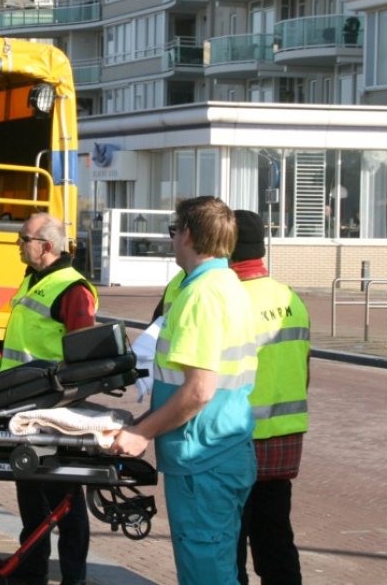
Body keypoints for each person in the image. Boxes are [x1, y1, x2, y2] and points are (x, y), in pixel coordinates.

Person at [111, 196, 258, 584]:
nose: (173, 239)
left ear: (188, 234)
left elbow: (198, 391)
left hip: (201, 456)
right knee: (218, 566)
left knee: (204, 573)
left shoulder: (200, 295)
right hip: (222, 449)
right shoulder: (227, 285)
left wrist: (141, 433)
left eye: (173, 231)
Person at [0, 212, 96, 585]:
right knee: (30, 497)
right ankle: (31, 572)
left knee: (65, 501)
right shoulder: (34, 279)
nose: (19, 245)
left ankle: (74, 577)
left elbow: (83, 354)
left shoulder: (72, 289)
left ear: (47, 246)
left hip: (53, 411)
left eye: (24, 239)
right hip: (23, 407)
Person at [230, 210, 310, 585]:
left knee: (230, 542)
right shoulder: (290, 297)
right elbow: (304, 368)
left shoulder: (228, 300)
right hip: (284, 440)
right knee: (276, 538)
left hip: (236, 436)